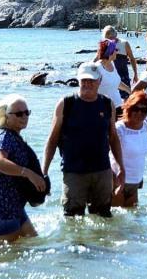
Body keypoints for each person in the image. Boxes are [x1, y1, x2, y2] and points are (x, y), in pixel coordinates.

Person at [42, 63, 125, 217]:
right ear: (78, 80)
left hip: (102, 171)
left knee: (103, 217)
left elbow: (113, 138)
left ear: (99, 81)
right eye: (84, 80)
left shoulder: (107, 104)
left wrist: (121, 168)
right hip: (74, 172)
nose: (87, 84)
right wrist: (44, 171)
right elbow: (52, 140)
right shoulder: (66, 103)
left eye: (92, 80)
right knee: (72, 219)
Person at [0, 94, 46, 241]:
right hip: (1, 205)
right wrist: (28, 173)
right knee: (11, 254)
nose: (24, 117)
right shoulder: (4, 136)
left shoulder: (12, 135)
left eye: (26, 112)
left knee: (32, 241)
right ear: (6, 116)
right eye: (18, 114)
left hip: (13, 203)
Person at [111, 91, 147, 207]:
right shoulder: (119, 128)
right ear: (128, 107)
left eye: (144, 110)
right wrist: (114, 179)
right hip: (118, 181)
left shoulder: (145, 126)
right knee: (117, 221)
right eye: (136, 108)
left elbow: (140, 154)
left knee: (133, 222)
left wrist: (140, 178)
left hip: (135, 182)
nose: (139, 113)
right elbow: (104, 154)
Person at [96, 26, 138, 93]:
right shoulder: (104, 45)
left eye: (112, 37)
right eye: (108, 38)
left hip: (123, 74)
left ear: (115, 35)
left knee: (126, 97)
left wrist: (135, 74)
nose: (110, 40)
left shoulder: (124, 43)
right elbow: (97, 58)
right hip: (108, 74)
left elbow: (132, 59)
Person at [96, 39, 131, 111]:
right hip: (104, 109)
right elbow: (93, 90)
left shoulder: (112, 64)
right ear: (110, 52)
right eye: (115, 49)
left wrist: (130, 90)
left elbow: (116, 82)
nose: (117, 51)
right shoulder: (97, 68)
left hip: (118, 106)